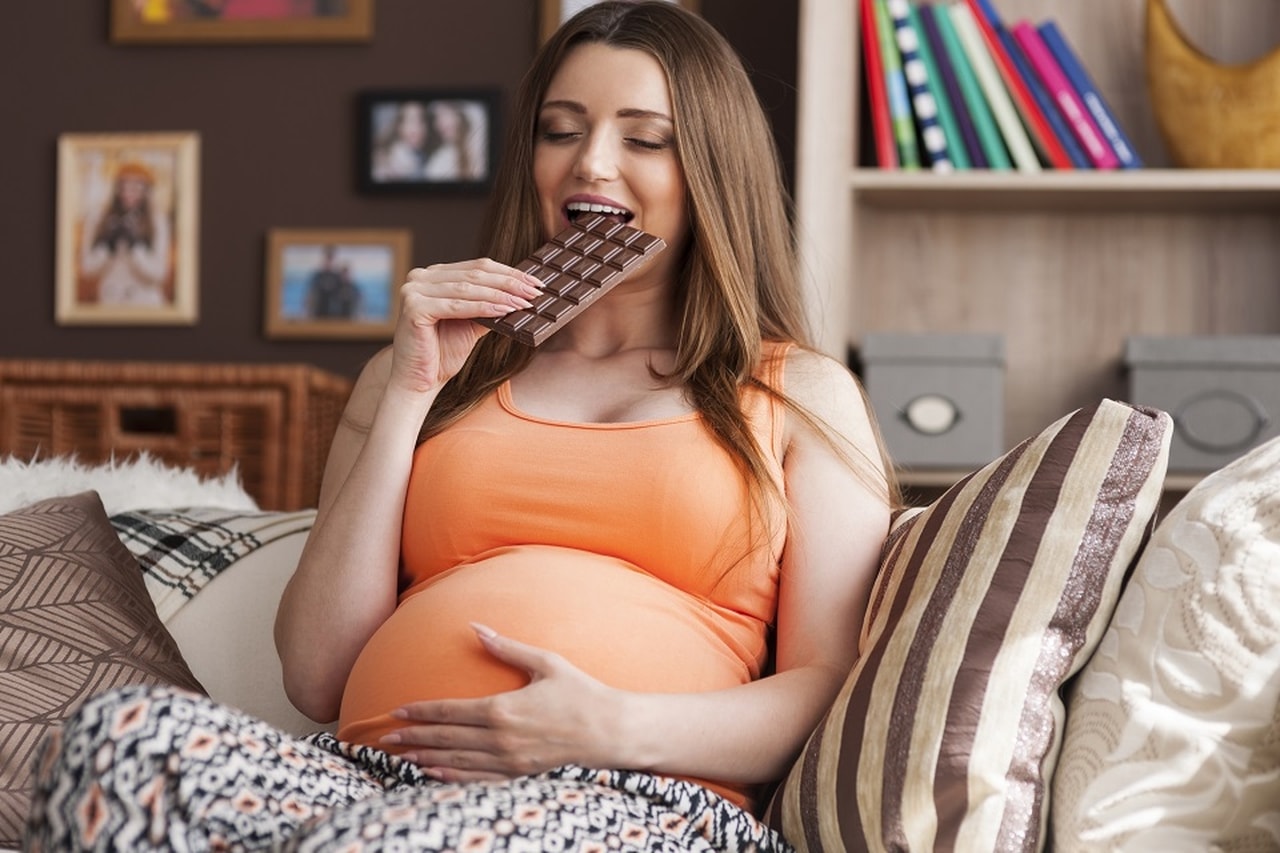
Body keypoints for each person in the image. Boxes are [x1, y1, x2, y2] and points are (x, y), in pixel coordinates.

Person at [23, 2, 899, 849]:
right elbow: (316, 672)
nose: (591, 162)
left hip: (636, 795)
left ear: (713, 168)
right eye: (561, 130)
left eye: (644, 137)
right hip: (360, 780)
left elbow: (828, 684)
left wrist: (613, 725)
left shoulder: (800, 394)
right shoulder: (428, 373)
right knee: (116, 739)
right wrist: (408, 390)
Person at [78, 161, 171, 307]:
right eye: (124, 186)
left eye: (137, 187)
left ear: (147, 190)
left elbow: (159, 275)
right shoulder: (97, 219)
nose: (129, 192)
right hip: (110, 303)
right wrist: (107, 247)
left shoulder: (157, 221)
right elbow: (88, 270)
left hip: (145, 304)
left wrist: (136, 247)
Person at [421, 100, 483, 181]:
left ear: (460, 114)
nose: (437, 124)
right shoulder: (440, 160)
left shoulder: (480, 144)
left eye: (444, 114)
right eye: (436, 117)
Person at [371, 101, 430, 182]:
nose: (417, 128)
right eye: (411, 121)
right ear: (399, 127)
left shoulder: (422, 157)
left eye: (422, 121)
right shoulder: (389, 162)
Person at [307, 245, 362, 318]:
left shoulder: (337, 277)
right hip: (318, 316)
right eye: (328, 256)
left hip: (335, 318)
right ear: (323, 257)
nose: (329, 259)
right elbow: (310, 298)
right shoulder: (317, 277)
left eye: (331, 257)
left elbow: (349, 298)